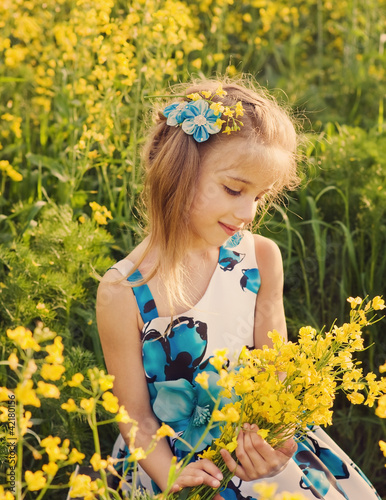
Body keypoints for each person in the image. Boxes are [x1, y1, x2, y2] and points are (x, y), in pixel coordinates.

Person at [96, 77, 381, 500]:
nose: (248, 212)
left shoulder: (262, 259)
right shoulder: (123, 292)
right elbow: (134, 414)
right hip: (175, 466)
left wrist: (279, 445)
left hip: (257, 451)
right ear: (177, 173)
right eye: (234, 189)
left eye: (261, 196)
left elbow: (277, 374)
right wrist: (171, 474)